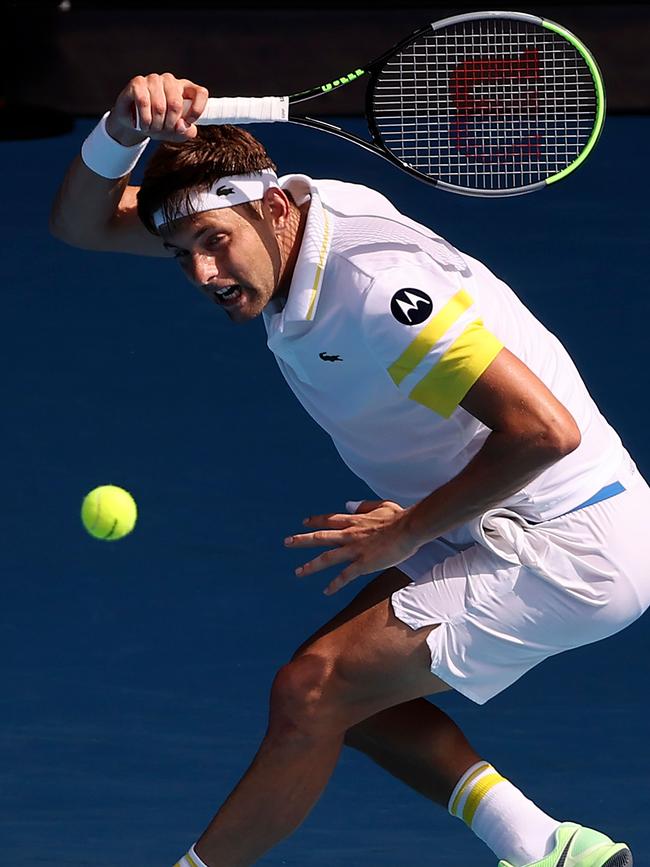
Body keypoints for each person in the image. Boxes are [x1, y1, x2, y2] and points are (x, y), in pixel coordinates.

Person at [50, 73, 648, 867]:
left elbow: (544, 430)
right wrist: (121, 130)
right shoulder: (294, 218)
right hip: (486, 511)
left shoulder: (376, 293)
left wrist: (405, 528)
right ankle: (545, 847)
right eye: (182, 253)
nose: (204, 275)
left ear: (270, 210)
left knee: (313, 691)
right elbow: (82, 226)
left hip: (568, 542)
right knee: (354, 700)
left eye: (215, 242)